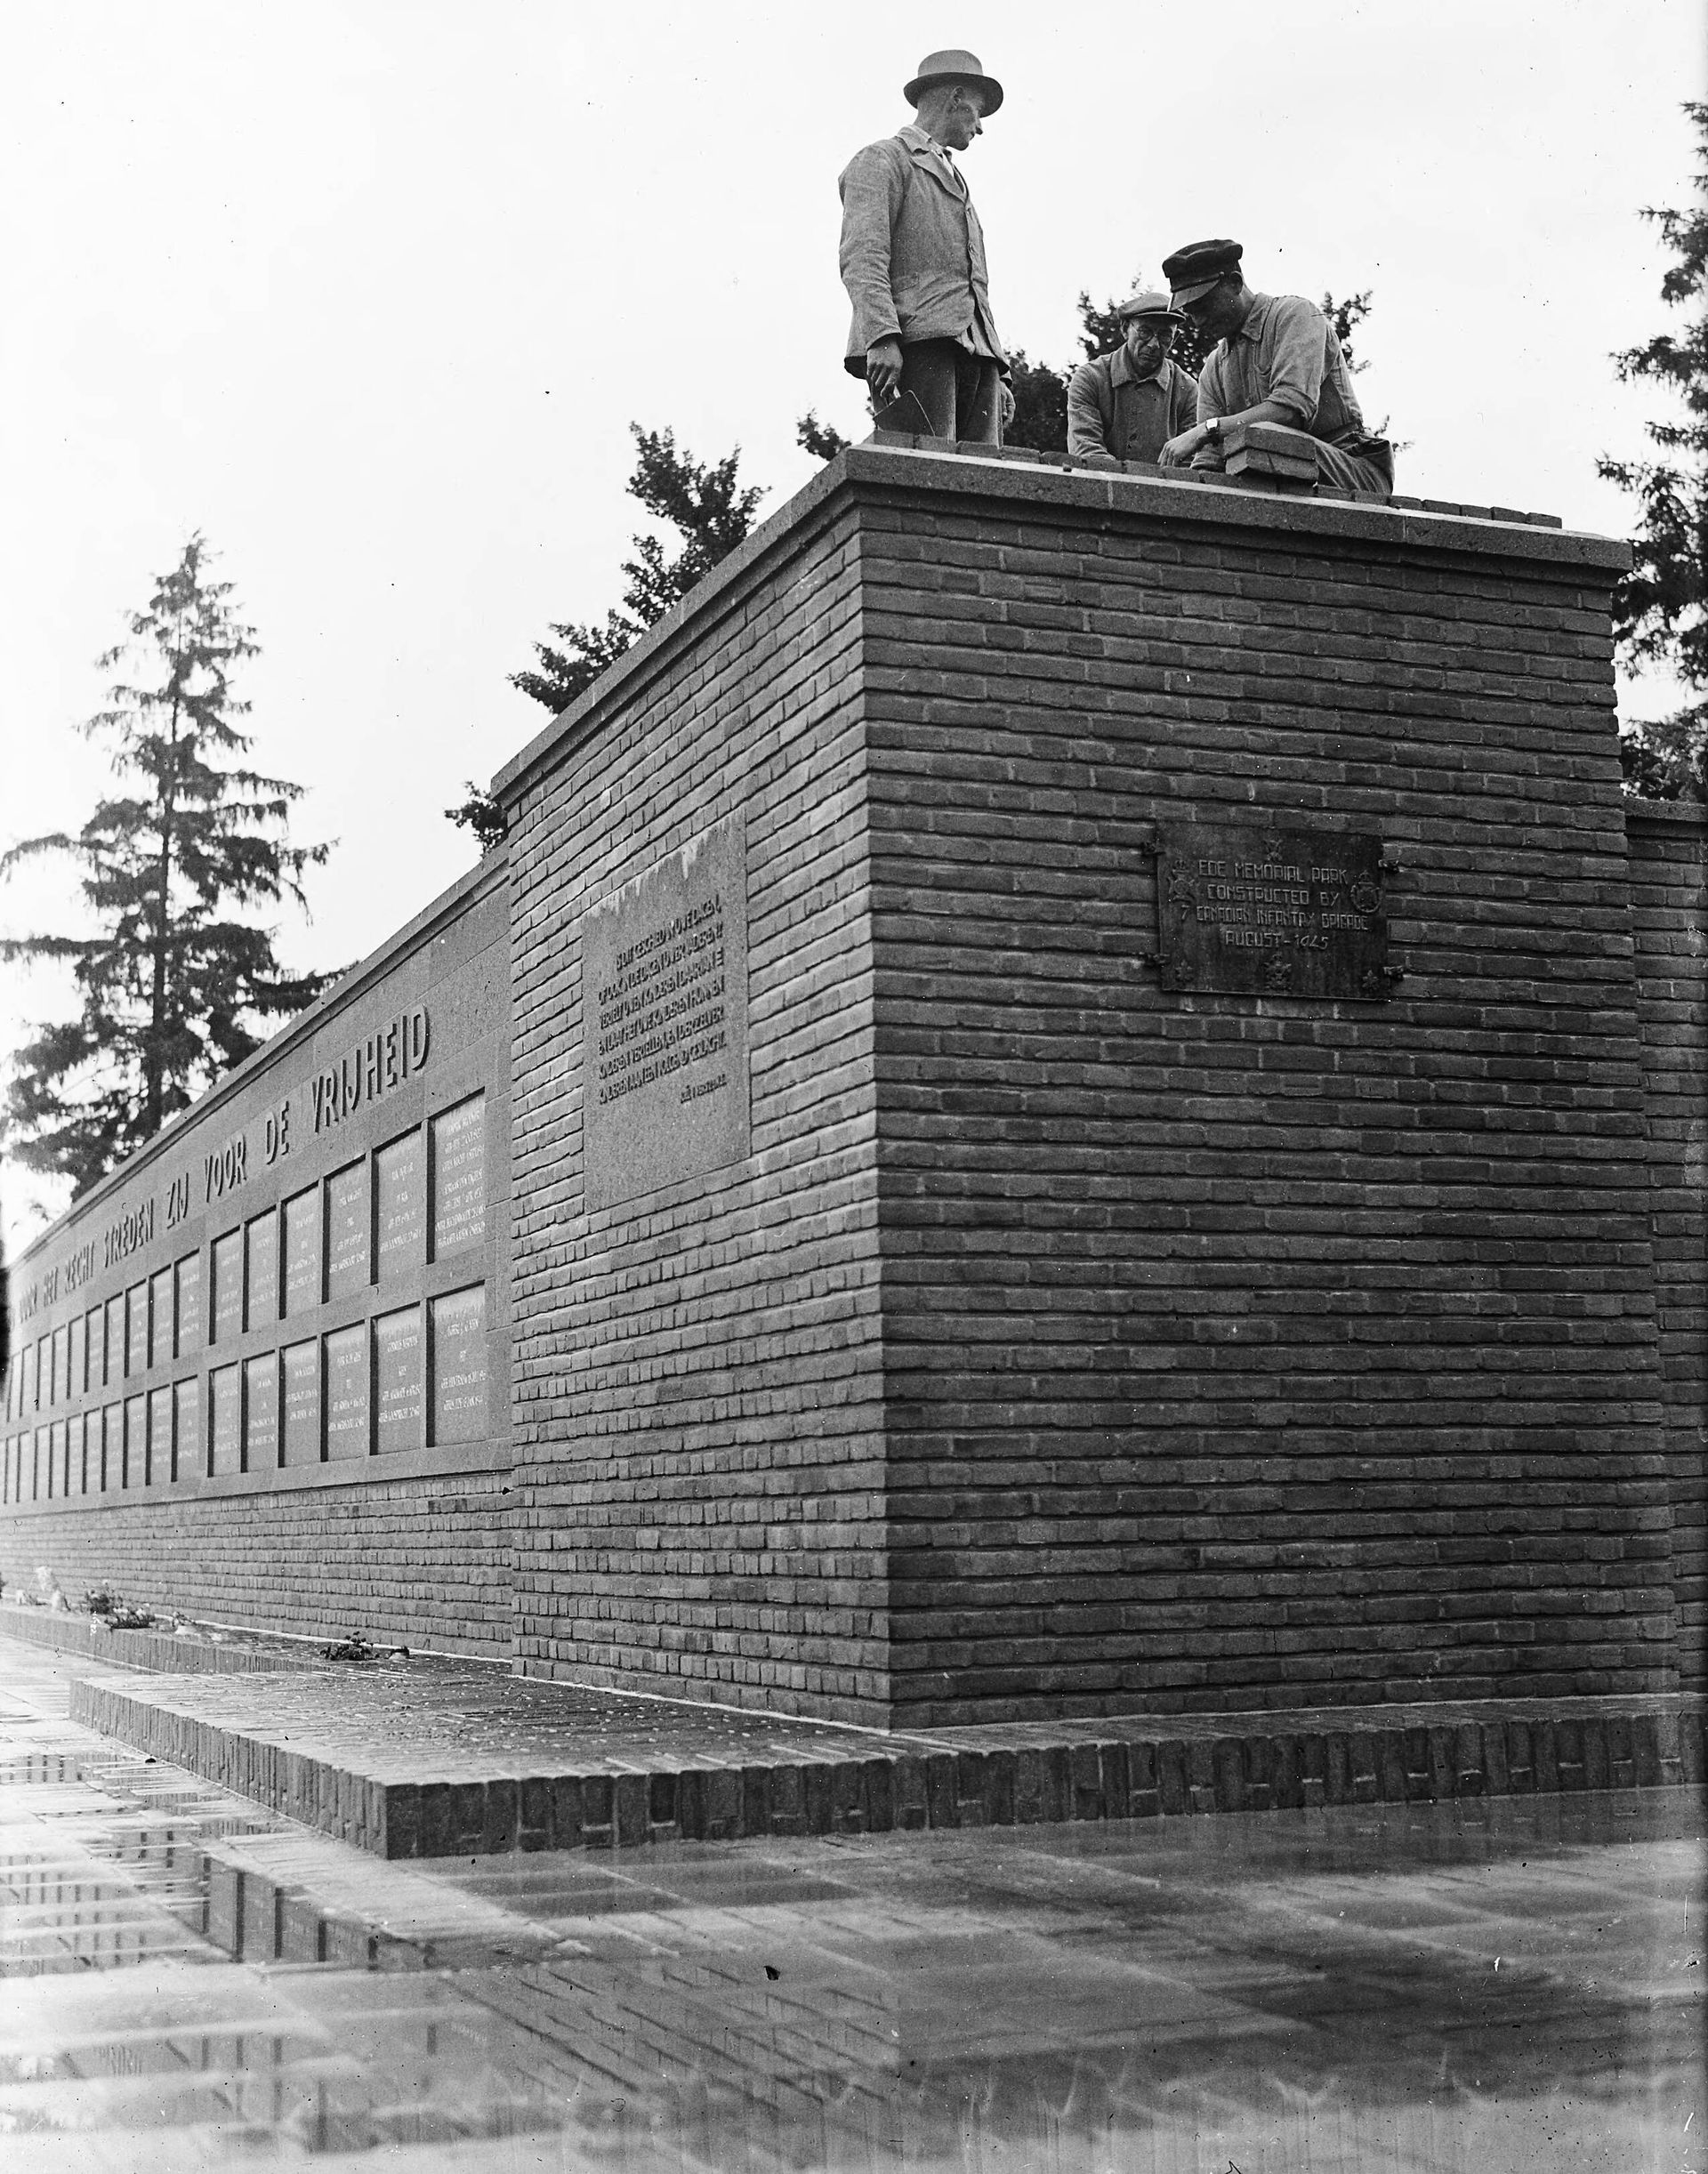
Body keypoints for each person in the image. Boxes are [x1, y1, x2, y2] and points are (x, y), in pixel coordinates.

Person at [839, 48, 1013, 444]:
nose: (980, 127)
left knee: (984, 477)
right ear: (956, 97)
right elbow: (862, 257)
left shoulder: (956, 177)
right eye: (978, 112)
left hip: (977, 354)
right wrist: (881, 337)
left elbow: (972, 281)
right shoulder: (883, 159)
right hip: (916, 345)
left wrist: (998, 368)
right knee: (925, 470)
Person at [1156, 239, 1394, 497]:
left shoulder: (1296, 315)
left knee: (1263, 436)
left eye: (1204, 305)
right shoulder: (1213, 368)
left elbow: (1290, 411)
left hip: (1351, 469)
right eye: (1190, 312)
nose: (1198, 321)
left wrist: (1206, 430)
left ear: (1235, 283)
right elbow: (1209, 457)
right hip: (1277, 473)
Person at [1066, 292, 1198, 469]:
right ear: (1125, 329)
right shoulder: (1090, 378)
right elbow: (1086, 449)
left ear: (1175, 339)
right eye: (1145, 332)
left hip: (1164, 485)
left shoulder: (1187, 390)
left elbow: (1191, 460)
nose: (1153, 345)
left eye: (1165, 335)